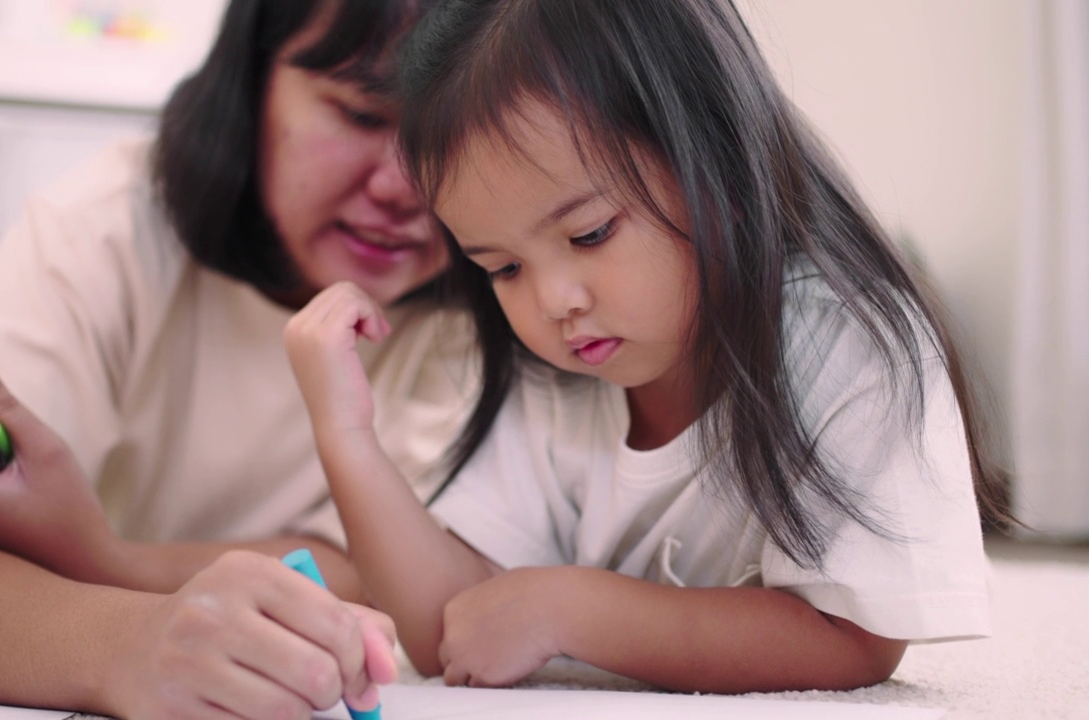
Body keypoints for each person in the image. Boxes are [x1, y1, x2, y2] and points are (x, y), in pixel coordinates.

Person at [284, 0, 1008, 695]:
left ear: (716, 155)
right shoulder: (552, 378)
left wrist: (573, 610)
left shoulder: (848, 339)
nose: (552, 301)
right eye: (503, 268)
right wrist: (345, 436)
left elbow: (858, 639)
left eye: (590, 234)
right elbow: (453, 628)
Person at [0, 1, 474, 718]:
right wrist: (129, 645)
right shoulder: (106, 229)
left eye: (448, 135)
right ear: (249, 83)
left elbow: (384, 580)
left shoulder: (497, 301)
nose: (401, 187)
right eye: (361, 114)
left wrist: (95, 558)